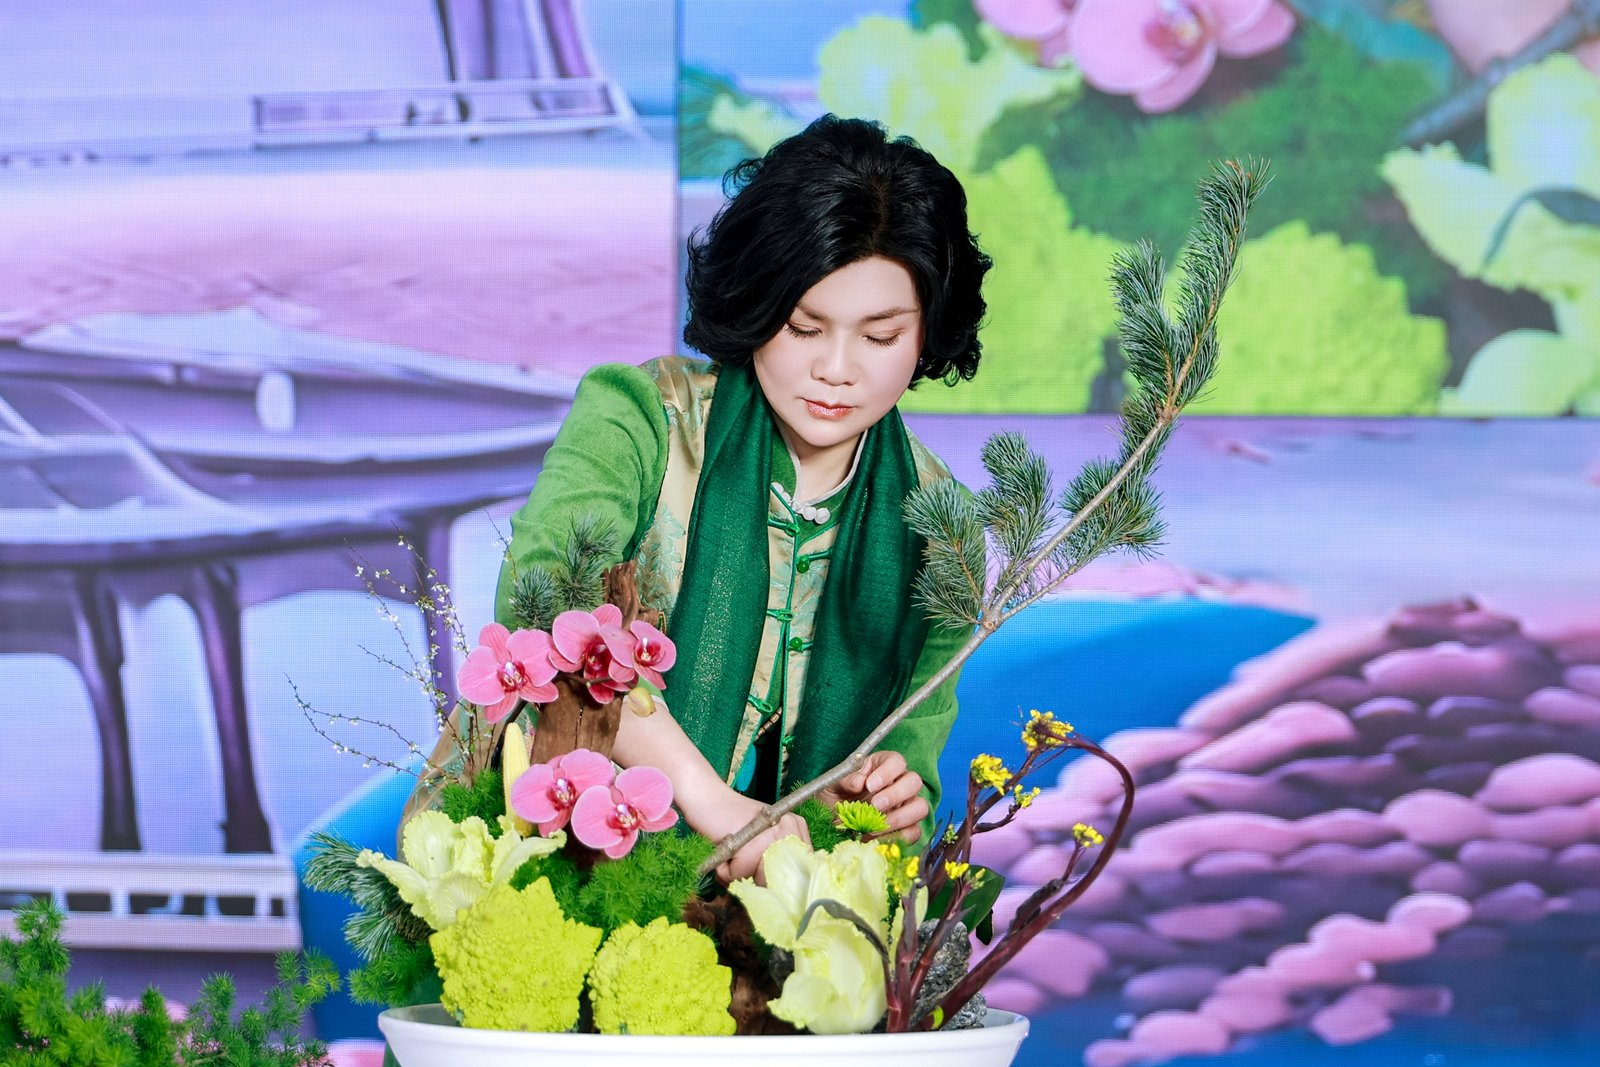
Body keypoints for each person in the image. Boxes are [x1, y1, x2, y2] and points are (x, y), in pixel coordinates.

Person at [423, 114, 991, 882]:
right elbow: (544, 607)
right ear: (758, 301)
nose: (837, 368)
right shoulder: (640, 416)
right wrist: (706, 796)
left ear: (928, 332)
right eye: (804, 326)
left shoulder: (940, 527)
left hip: (776, 912)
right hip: (548, 875)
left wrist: (889, 799)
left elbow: (910, 770)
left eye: (880, 336)